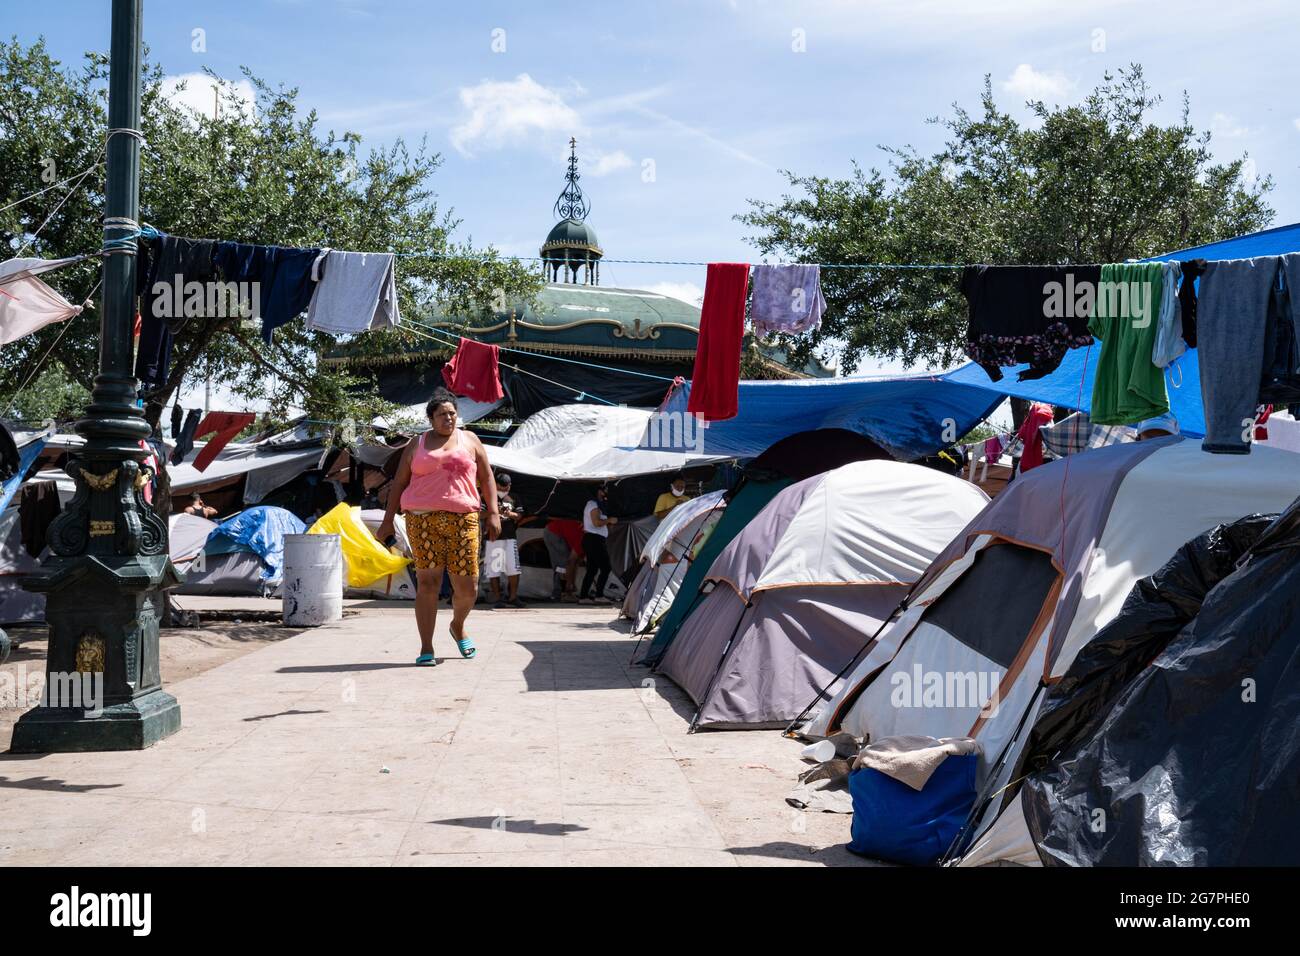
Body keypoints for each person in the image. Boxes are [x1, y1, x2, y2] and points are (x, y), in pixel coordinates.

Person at [375, 388, 499, 666]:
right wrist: (387, 522)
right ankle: (426, 647)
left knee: (467, 587)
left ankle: (457, 625)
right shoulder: (416, 445)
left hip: (463, 519)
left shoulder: (470, 440)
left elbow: (487, 477)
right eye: (442, 414)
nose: (448, 418)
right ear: (431, 419)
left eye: (452, 413)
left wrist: (494, 513)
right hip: (421, 520)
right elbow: (399, 484)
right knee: (428, 582)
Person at [484, 472, 525, 609]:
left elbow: (519, 515)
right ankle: (497, 597)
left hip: (510, 537)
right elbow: (479, 513)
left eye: (506, 487)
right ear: (495, 484)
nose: (504, 490)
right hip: (493, 538)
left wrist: (509, 513)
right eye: (501, 487)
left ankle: (513, 597)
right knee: (494, 570)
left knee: (514, 569)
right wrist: (494, 511)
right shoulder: (487, 495)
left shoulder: (514, 497)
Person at [579, 485, 617, 604]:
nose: (606, 492)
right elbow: (596, 523)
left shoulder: (600, 506)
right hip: (593, 539)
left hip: (596, 539)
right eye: (604, 490)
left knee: (592, 569)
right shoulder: (592, 504)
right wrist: (609, 520)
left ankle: (583, 596)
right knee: (606, 567)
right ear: (598, 492)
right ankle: (599, 595)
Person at [543, 517, 584, 601]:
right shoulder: (583, 539)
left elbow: (576, 562)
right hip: (553, 532)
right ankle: (562, 593)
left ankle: (566, 591)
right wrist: (570, 584)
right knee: (562, 565)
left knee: (567, 563)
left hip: (560, 531)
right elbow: (571, 561)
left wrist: (572, 582)